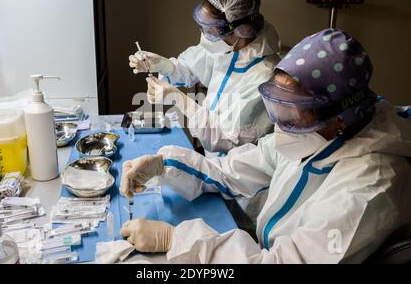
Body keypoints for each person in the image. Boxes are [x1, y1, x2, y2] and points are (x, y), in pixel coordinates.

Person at [120, 29, 411, 263]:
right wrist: (163, 164)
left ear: (340, 119)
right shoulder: (315, 138)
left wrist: (176, 241)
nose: (279, 125)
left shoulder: (370, 186)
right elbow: (231, 171)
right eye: (276, 107)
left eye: (292, 114)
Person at [128, 0, 281, 155]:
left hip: (237, 173)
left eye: (211, 30)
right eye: (203, 27)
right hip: (212, 162)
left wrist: (181, 100)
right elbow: (187, 68)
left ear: (239, 29)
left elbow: (230, 140)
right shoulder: (224, 49)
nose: (205, 35)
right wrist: (163, 65)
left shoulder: (265, 76)